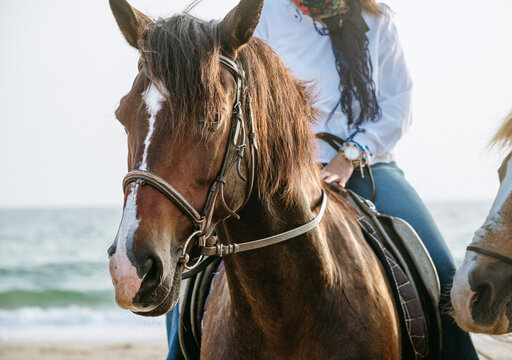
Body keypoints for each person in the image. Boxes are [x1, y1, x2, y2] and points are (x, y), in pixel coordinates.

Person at [166, 1, 479, 358]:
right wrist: (291, 158)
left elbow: (398, 104)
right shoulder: (262, 16)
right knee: (188, 262)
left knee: (440, 271)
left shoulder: (378, 21)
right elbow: (248, 96)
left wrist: (351, 156)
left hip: (366, 165)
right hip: (280, 170)